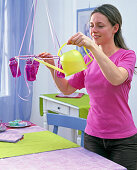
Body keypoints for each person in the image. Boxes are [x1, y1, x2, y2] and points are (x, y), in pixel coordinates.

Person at [39, 4, 137, 170]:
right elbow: (67, 88)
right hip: (92, 135)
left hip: (123, 140)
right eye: (91, 26)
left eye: (100, 26)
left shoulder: (127, 55)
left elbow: (116, 78)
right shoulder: (88, 59)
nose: (94, 30)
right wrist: (52, 68)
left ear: (115, 28)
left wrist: (92, 47)